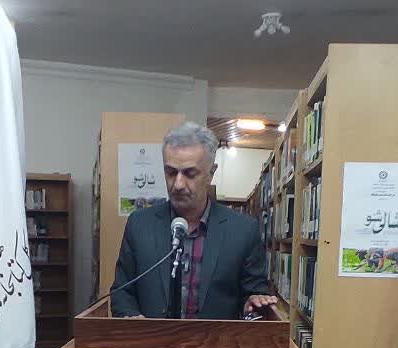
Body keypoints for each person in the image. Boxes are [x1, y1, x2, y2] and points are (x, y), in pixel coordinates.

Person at [111, 122, 277, 319]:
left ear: (210, 174)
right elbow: (121, 292)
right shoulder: (139, 225)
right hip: (151, 338)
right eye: (171, 172)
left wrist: (252, 303)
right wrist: (130, 317)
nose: (178, 184)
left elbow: (254, 292)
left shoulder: (243, 231)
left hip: (214, 339)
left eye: (190, 174)